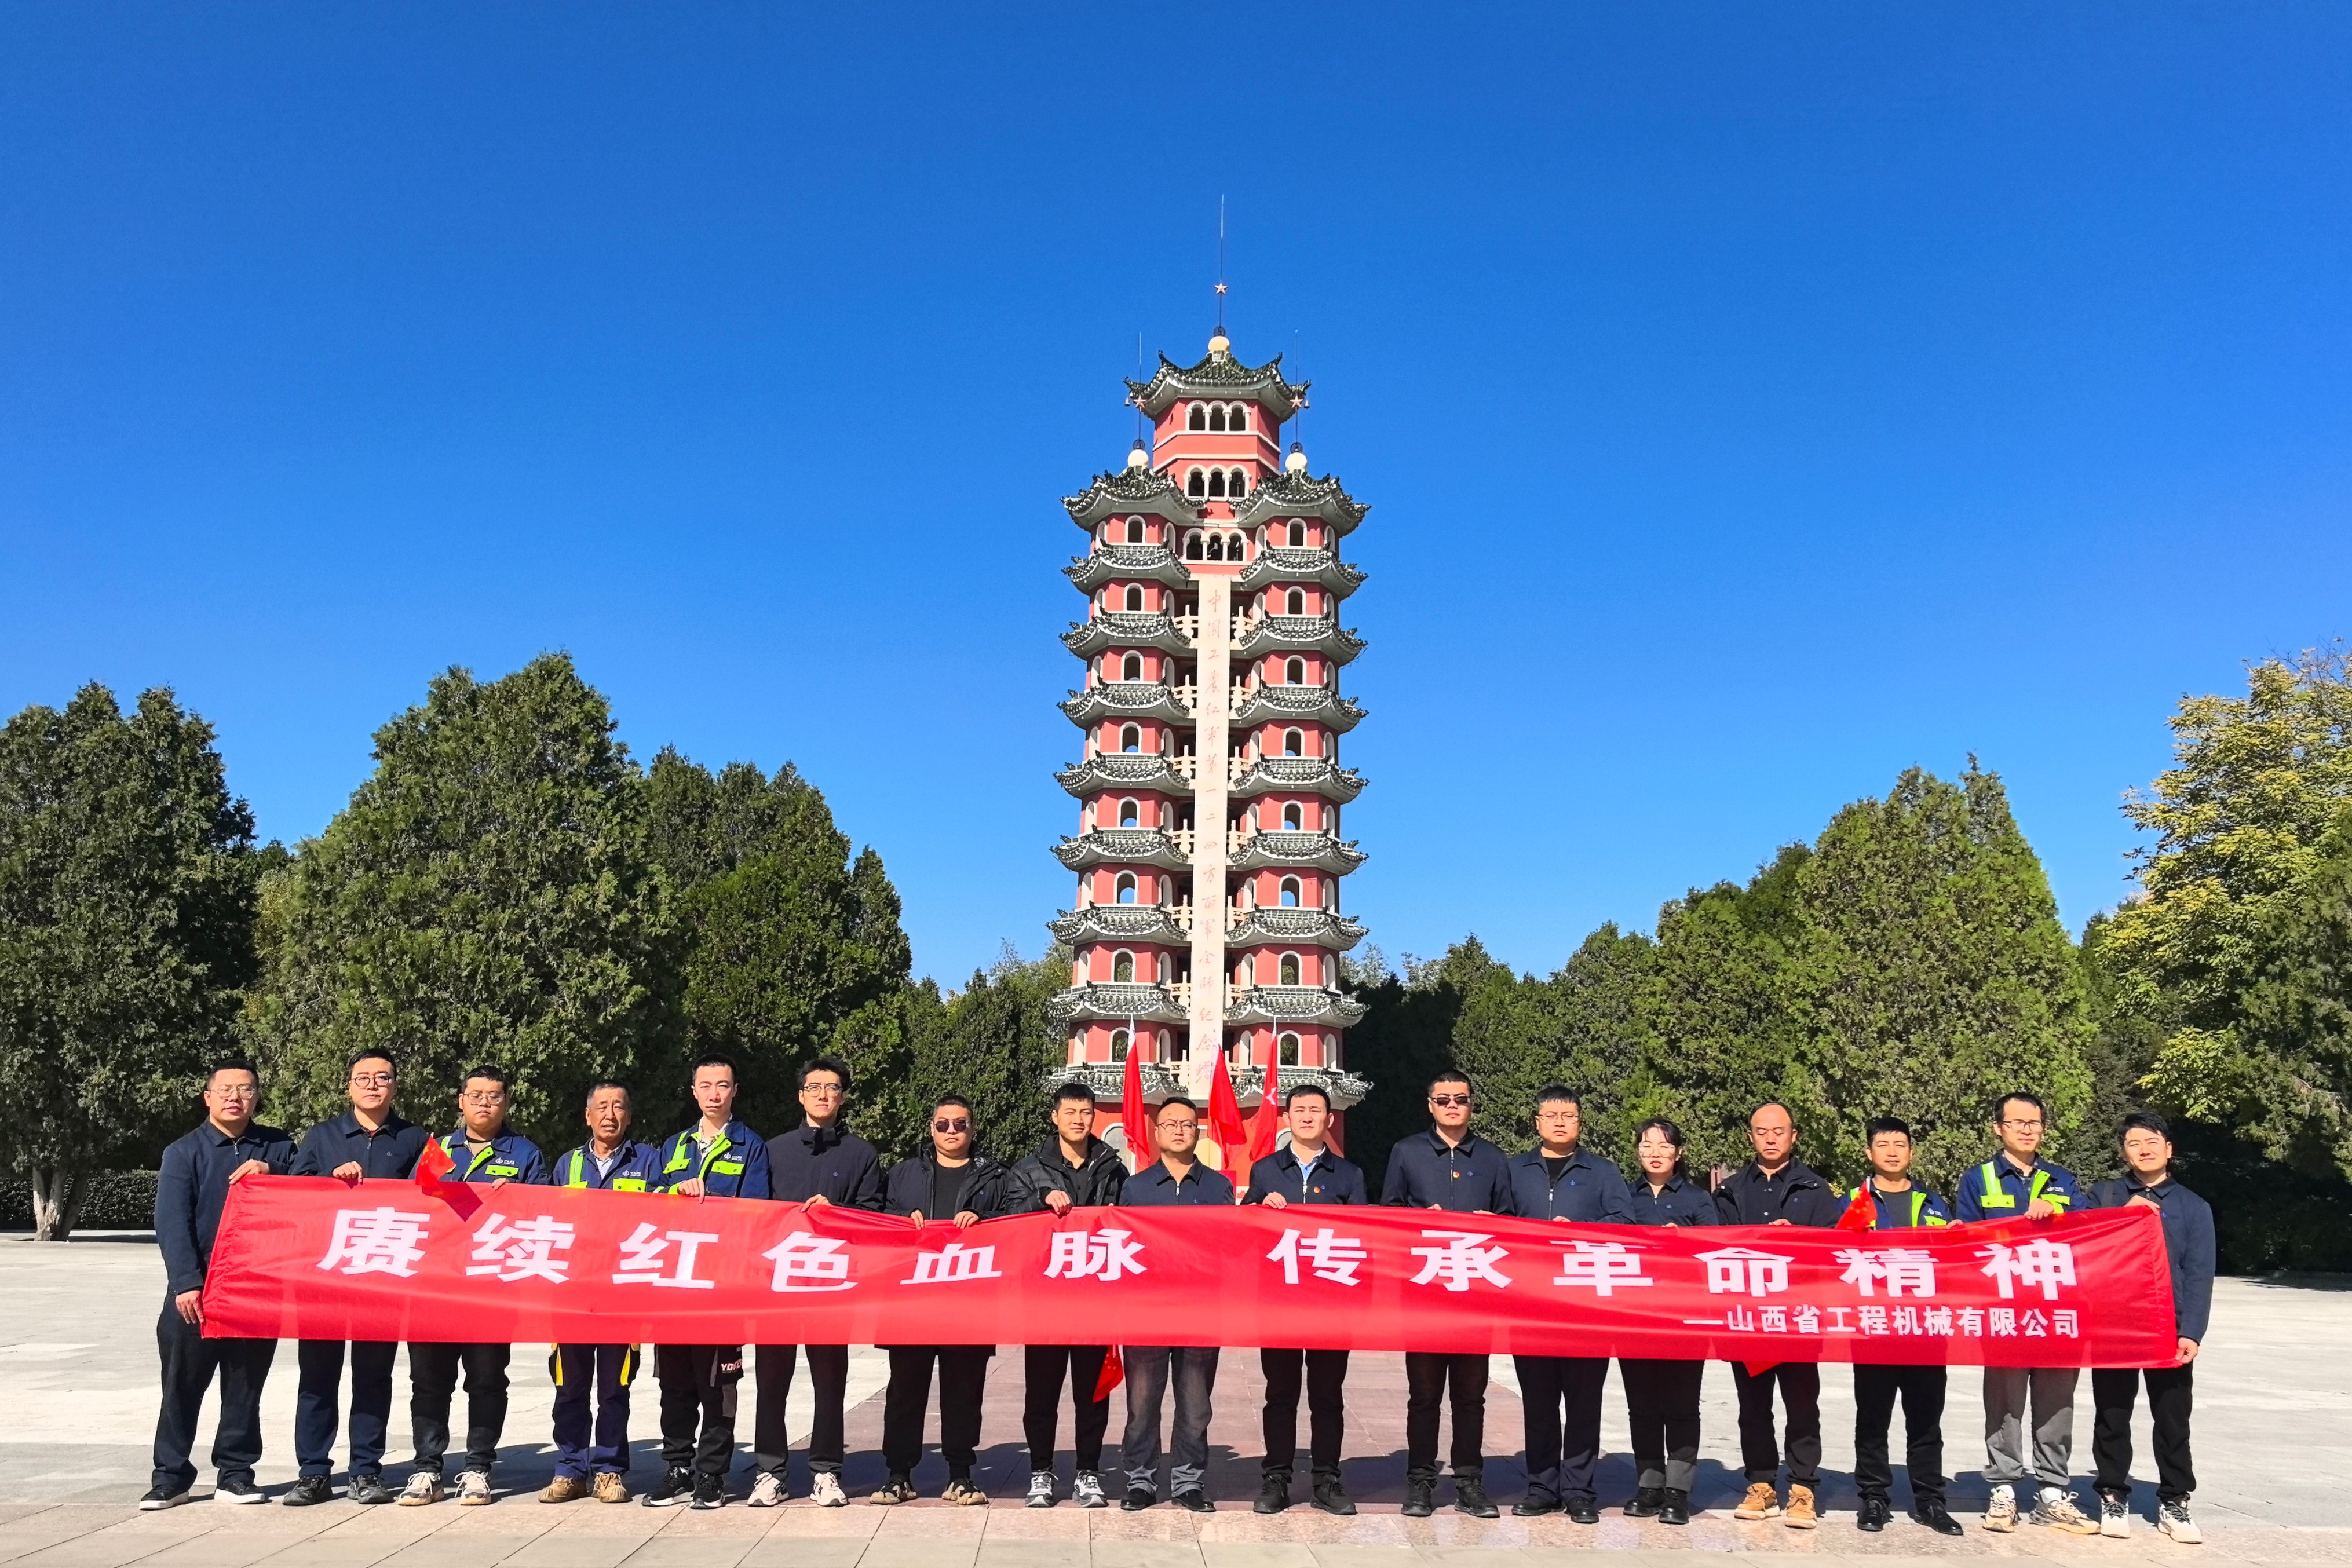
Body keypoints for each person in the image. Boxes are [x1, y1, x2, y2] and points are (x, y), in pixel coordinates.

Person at [144, 1059, 294, 1509]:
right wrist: (186, 1283)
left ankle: (236, 1472)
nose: (235, 1096)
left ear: (256, 1097)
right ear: (207, 1096)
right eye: (226, 1088)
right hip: (198, 1293)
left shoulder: (279, 1147)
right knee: (181, 1386)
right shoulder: (183, 1152)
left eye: (245, 1089)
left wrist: (271, 1170)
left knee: (245, 1386)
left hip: (257, 1289)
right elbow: (172, 1223)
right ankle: (170, 1475)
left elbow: (311, 1188)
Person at [283, 1050, 428, 1507]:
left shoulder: (414, 1139)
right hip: (325, 1281)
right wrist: (330, 1179)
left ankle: (367, 1470)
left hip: (383, 1283)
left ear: (395, 1086)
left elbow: (434, 1200)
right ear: (348, 1086)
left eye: (382, 1077)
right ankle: (313, 1472)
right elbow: (291, 1196)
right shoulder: (323, 1136)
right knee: (317, 1378)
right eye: (362, 1077)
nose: (372, 1085)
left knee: (373, 1377)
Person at [403, 1065, 547, 1507]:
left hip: (490, 1290)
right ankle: (427, 1469)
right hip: (436, 1289)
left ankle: (479, 1467)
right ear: (460, 1101)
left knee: (486, 1381)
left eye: (495, 1095)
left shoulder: (524, 1154)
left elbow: (544, 1215)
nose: (485, 1102)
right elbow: (412, 1208)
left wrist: (518, 1199)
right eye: (476, 1094)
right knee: (429, 1383)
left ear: (507, 1102)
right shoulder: (439, 1149)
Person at [1954, 1090, 2097, 1535]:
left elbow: (2089, 1233)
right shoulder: (1977, 1179)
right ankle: (2003, 1487)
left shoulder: (2063, 1180)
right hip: (2003, 1312)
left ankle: (2052, 1490)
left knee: (2057, 1402)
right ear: (1998, 1128)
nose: (2027, 1129)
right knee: (2004, 1402)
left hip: (2057, 1312)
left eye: (2034, 1122)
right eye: (2016, 1122)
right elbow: (1968, 1244)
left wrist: (2058, 1213)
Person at [1379, 1070, 1514, 1519]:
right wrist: (1422, 1217)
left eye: (1461, 1098)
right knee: (1424, 1394)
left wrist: (1489, 1220)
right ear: (1430, 1104)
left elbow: (1512, 1222)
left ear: (1472, 1104)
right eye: (1444, 1099)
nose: (1452, 1105)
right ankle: (1420, 1480)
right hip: (1425, 1294)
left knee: (1471, 1395)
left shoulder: (1493, 1157)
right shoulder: (1408, 1151)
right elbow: (1389, 1213)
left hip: (1475, 1296)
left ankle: (1470, 1480)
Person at [753, 1055, 885, 1509]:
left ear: (843, 1096)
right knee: (772, 1380)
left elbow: (875, 1214)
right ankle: (770, 1471)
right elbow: (753, 1215)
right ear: (801, 1096)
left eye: (832, 1087)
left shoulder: (863, 1154)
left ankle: (827, 1470)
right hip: (780, 1288)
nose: (823, 1094)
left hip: (832, 1287)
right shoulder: (772, 1150)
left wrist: (838, 1212)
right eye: (814, 1087)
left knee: (831, 1381)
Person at [871, 1094, 1015, 1507]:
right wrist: (902, 1222)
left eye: (960, 1124)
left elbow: (1015, 1222)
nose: (952, 1131)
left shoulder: (994, 1178)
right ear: (931, 1128)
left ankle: (960, 1475)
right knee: (904, 1391)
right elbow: (876, 1220)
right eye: (943, 1124)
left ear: (973, 1128)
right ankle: (899, 1474)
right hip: (911, 1301)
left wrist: (985, 1223)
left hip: (968, 1302)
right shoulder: (902, 1175)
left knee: (964, 1392)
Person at [645, 1054, 772, 1509]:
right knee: (673, 1384)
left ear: (735, 1091)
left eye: (724, 1085)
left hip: (721, 1288)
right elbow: (650, 1198)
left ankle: (712, 1473)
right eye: (706, 1085)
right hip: (675, 1285)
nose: (715, 1093)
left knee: (717, 1386)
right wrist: (673, 1192)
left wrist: (711, 1198)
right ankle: (677, 1467)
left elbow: (756, 1211)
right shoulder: (674, 1145)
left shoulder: (751, 1145)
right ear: (693, 1090)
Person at [1505, 1083, 1632, 1523]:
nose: (1560, 1122)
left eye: (1569, 1115)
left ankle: (1580, 1489)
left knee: (1583, 1402)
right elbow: (1496, 1222)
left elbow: (1624, 1222)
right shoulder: (1514, 1169)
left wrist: (1580, 1229)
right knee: (1538, 1402)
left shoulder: (1602, 1171)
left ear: (1580, 1121)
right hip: (1531, 1306)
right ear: (1537, 1121)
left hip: (1584, 1309)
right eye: (1552, 1115)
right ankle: (1542, 1486)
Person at [2086, 1112, 2214, 1545]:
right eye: (2134, 1142)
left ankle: (2175, 1499)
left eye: (2152, 1140)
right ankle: (2111, 1493)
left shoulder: (2194, 1206)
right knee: (2112, 1413)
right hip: (2115, 1323)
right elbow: (2085, 1247)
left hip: (2168, 1327)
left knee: (2173, 1417)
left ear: (2169, 1148)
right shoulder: (2102, 1196)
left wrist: (2192, 1331)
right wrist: (2122, 1215)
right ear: (2124, 1151)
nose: (2144, 1148)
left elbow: (2199, 1273)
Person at [1715, 1099, 1842, 1529]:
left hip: (1800, 1317)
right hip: (1748, 1318)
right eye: (1762, 1131)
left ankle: (1804, 1486)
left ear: (1794, 1136)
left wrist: (1799, 1239)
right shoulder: (1730, 1191)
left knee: (1802, 1404)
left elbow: (1834, 1253)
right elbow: (1715, 1250)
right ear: (1751, 1136)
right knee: (1753, 1405)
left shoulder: (1816, 1191)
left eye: (1779, 1131)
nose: (1770, 1137)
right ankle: (1762, 1483)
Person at [1243, 1082, 1367, 1517]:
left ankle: (1327, 1479)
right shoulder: (1265, 1170)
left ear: (1330, 1119)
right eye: (1300, 1110)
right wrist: (1260, 1207)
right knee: (1280, 1393)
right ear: (1287, 1118)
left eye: (1317, 1110)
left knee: (1327, 1395)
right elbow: (1243, 1228)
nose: (1309, 1116)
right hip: (1278, 1303)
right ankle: (1276, 1478)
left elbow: (1365, 1239)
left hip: (1331, 1305)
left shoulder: (1349, 1175)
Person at [1009, 1080, 1127, 1509]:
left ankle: (1088, 1472)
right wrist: (1041, 1199)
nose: (1079, 1120)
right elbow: (1008, 1214)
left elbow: (1128, 1222)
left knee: (1091, 1394)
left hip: (1095, 1301)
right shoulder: (1028, 1169)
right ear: (1055, 1117)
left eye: (1086, 1113)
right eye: (1071, 1113)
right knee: (1041, 1393)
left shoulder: (1113, 1167)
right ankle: (1041, 1471)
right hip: (1045, 1301)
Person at [543, 1080, 662, 1505]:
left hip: (623, 1298)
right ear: (587, 1114)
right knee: (569, 1387)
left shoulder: (650, 1162)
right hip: (572, 1298)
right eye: (601, 1106)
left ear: (629, 1115)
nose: (610, 1113)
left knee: (615, 1389)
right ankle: (570, 1469)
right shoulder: (566, 1165)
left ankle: (609, 1470)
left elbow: (666, 1219)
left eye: (619, 1106)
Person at [1847, 1117, 1963, 1537]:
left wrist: (1957, 1240)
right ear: (1869, 1152)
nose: (1892, 1151)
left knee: (1927, 1420)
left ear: (1911, 1152)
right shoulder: (1852, 1203)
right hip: (1874, 1329)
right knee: (1872, 1419)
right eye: (1883, 1144)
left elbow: (1955, 1265)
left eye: (1900, 1144)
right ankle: (1874, 1497)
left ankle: (1931, 1499)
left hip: (1926, 1330)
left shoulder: (1934, 1204)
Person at [1118, 1095, 1234, 1513]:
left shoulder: (1218, 1186)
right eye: (1170, 1124)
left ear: (1198, 1131)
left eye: (1187, 1123)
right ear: (1157, 1132)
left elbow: (1231, 1246)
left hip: (1201, 1312)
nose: (1179, 1130)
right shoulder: (1136, 1187)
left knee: (1195, 1404)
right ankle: (1141, 1481)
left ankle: (1188, 1481)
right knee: (1141, 1404)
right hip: (1146, 1312)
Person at [1620, 1117, 1714, 1527]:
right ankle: (1649, 1484)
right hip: (1634, 1317)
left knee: (1680, 1406)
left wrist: (1687, 1240)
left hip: (1682, 1319)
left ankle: (1678, 1490)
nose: (1655, 1152)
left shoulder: (1698, 1200)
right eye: (1647, 1144)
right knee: (1641, 1405)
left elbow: (1716, 1250)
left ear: (1679, 1152)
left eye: (1664, 1145)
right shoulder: (1624, 1198)